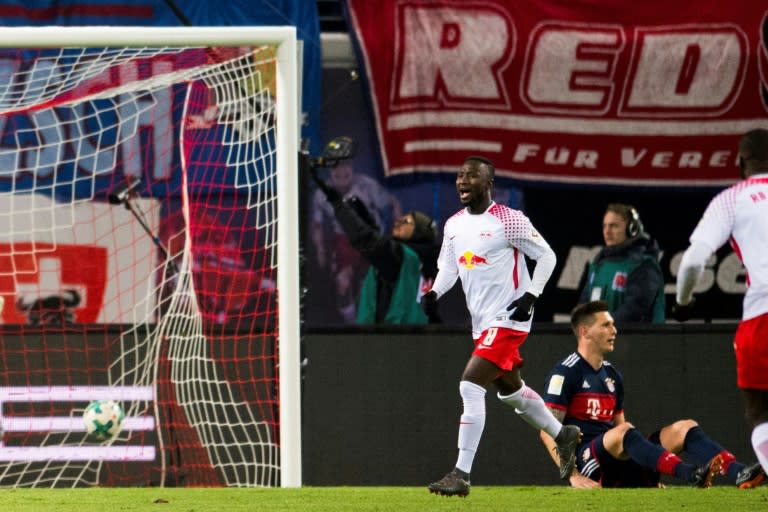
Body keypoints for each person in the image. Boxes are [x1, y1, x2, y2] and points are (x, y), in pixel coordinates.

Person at [422, 156, 581, 497]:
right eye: (460, 175)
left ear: (489, 182)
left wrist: (531, 296)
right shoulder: (453, 225)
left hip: (510, 317)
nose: (463, 181)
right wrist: (435, 292)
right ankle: (562, 434)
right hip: (482, 323)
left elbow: (547, 256)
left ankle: (461, 473)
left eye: (472, 176)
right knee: (510, 390)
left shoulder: (509, 220)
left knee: (469, 385)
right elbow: (449, 268)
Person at [540, 300, 766, 488]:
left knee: (685, 428)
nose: (614, 331)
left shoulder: (612, 375)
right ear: (584, 331)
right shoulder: (566, 372)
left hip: (616, 458)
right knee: (624, 432)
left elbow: (620, 426)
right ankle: (690, 473)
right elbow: (546, 430)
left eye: (613, 325)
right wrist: (573, 475)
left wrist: (646, 464)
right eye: (606, 325)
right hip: (590, 461)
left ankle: (739, 473)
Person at [672, 128, 768, 477]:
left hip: (763, 316)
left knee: (760, 412)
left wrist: (683, 302)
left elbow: (694, 260)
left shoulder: (733, 199)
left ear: (741, 161)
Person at [309, 162, 439, 324]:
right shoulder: (425, 259)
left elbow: (365, 239)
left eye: (406, 222)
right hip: (417, 332)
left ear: (419, 232)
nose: (398, 222)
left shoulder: (400, 255)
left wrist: (338, 205)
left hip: (396, 333)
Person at [310, 160, 402, 322]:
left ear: (352, 170)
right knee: (342, 282)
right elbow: (316, 224)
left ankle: (375, 320)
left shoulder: (367, 186)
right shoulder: (322, 193)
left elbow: (393, 203)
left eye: (346, 173)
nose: (342, 178)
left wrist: (398, 229)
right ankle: (351, 324)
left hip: (371, 236)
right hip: (344, 240)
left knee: (370, 282)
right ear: (331, 174)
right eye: (336, 174)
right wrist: (320, 248)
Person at [578, 203, 665, 323]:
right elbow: (584, 304)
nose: (607, 231)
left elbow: (635, 308)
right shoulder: (598, 264)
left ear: (632, 229)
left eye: (614, 226)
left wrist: (602, 329)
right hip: (601, 339)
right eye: (604, 226)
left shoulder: (643, 265)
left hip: (637, 340)